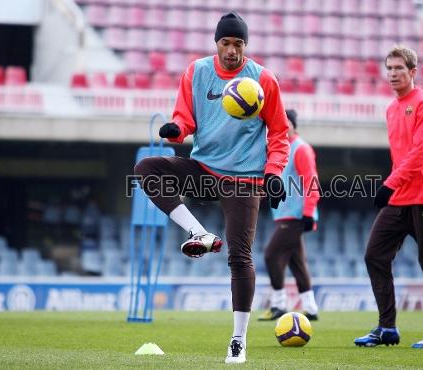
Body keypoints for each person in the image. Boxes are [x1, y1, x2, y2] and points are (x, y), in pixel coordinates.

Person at [134, 11, 289, 364]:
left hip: (244, 179)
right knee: (147, 168)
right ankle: (199, 233)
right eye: (226, 42)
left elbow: (280, 133)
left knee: (239, 256)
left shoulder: (264, 79)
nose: (232, 50)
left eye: (238, 43)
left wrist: (274, 173)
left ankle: (238, 340)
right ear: (216, 43)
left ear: (245, 46)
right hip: (204, 168)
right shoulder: (197, 71)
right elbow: (184, 117)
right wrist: (177, 130)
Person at [354, 45, 423, 349]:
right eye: (389, 68)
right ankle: (387, 328)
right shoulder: (392, 108)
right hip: (400, 198)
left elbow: (420, 154)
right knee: (374, 255)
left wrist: (389, 184)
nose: (393, 74)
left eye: (399, 68)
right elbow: (401, 156)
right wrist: (395, 186)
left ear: (413, 72)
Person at [259, 109, 320, 322]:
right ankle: (311, 309)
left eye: (286, 123)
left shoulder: (300, 148)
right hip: (285, 214)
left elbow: (311, 182)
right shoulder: (280, 150)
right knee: (297, 262)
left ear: (293, 125)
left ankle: (278, 305)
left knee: (270, 254)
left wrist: (308, 213)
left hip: (296, 215)